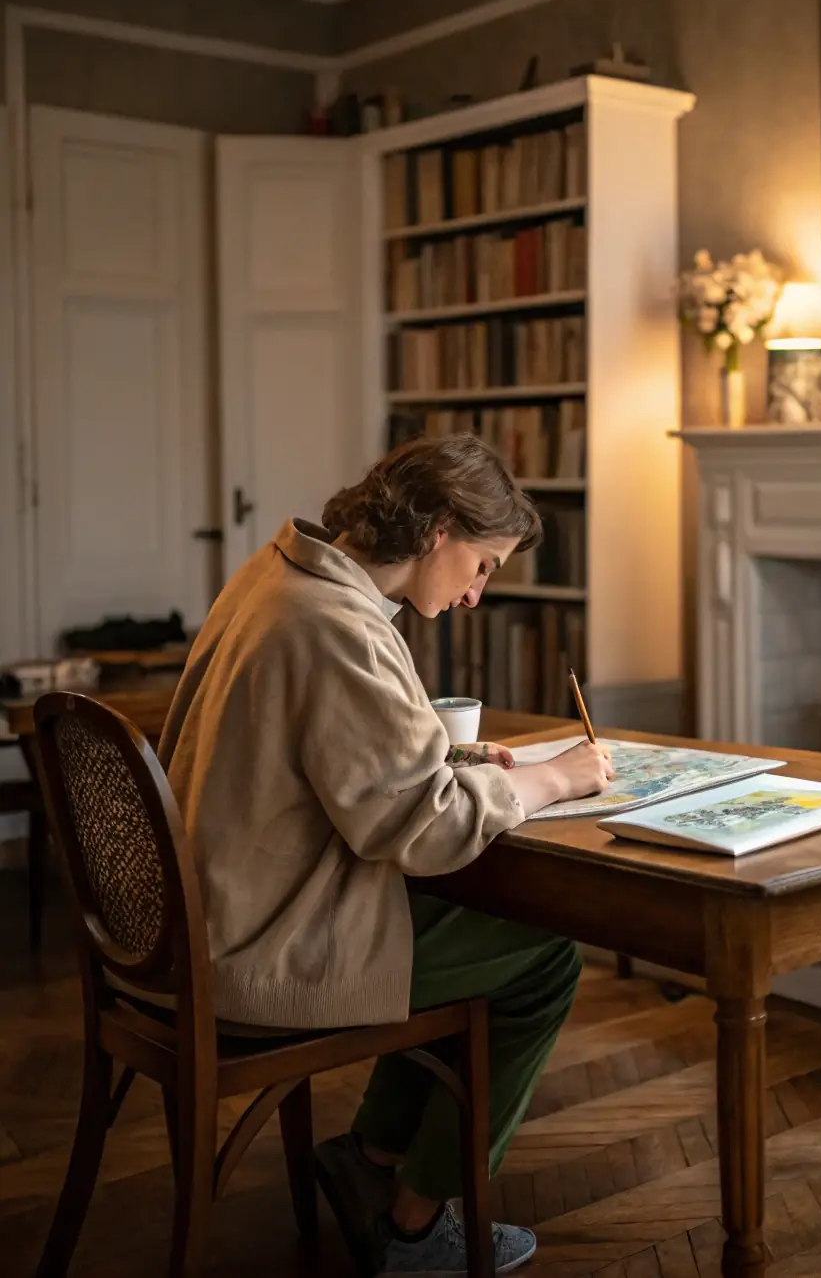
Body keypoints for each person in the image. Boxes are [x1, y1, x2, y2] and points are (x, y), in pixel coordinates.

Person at [158, 433, 614, 1276]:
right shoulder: (336, 625)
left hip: (208, 919)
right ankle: (413, 1225)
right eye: (482, 565)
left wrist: (454, 760)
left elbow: (326, 755)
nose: (476, 594)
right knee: (544, 958)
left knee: (466, 921)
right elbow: (426, 830)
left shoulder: (278, 577)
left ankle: (372, 1155)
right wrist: (555, 778)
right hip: (260, 948)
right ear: (439, 530)